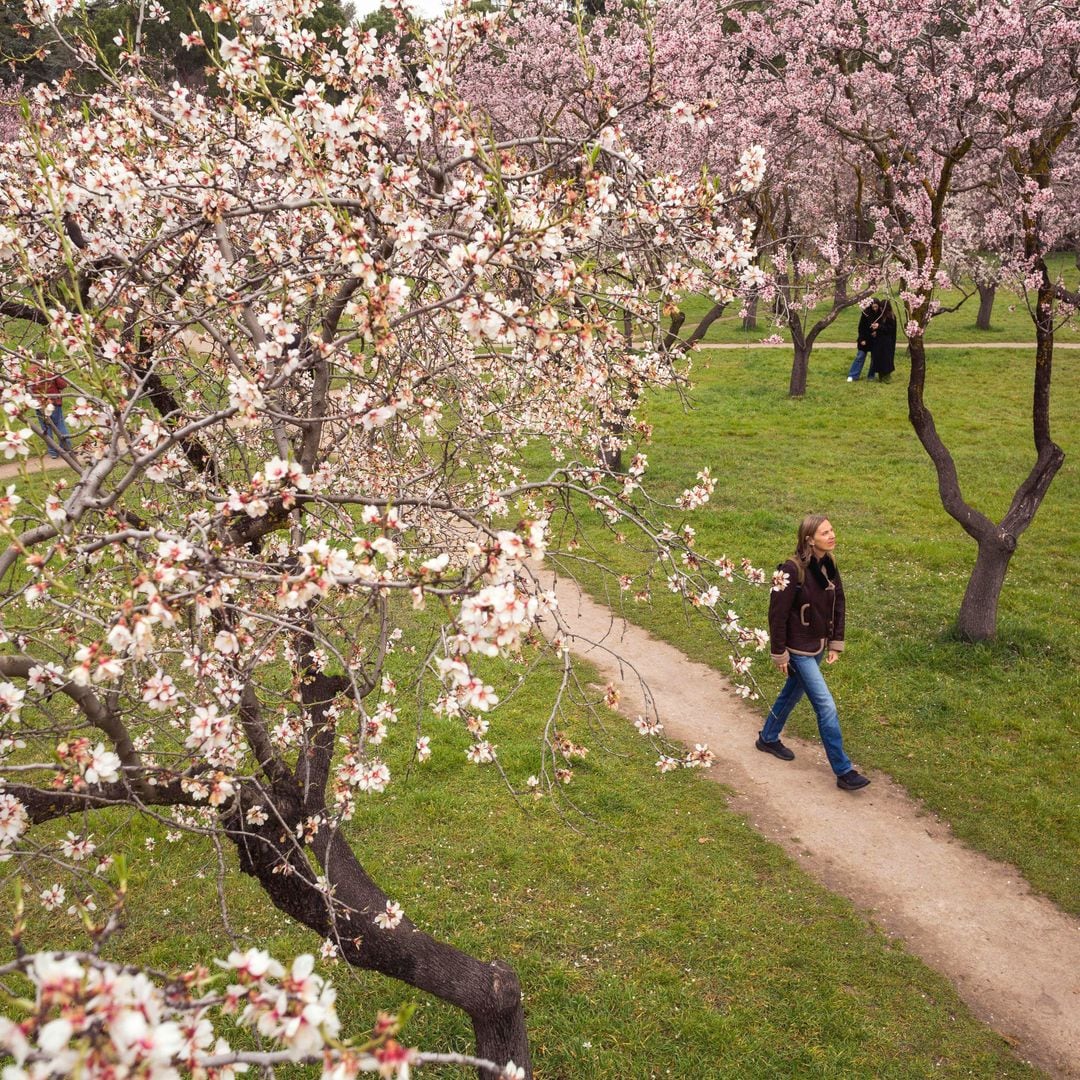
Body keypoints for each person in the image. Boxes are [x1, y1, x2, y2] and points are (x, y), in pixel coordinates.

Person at [756, 514, 870, 791]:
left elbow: (838, 601)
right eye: (824, 533)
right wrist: (779, 653)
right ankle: (843, 771)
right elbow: (777, 614)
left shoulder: (829, 562)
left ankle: (768, 738)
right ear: (809, 539)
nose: (832, 535)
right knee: (826, 706)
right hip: (798, 649)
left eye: (832, 530)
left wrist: (835, 642)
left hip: (817, 644)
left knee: (791, 694)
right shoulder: (791, 569)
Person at [29, 362, 72, 458]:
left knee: (46, 428)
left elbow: (29, 389)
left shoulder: (30, 371)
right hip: (54, 402)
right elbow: (63, 385)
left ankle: (53, 452)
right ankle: (66, 448)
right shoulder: (50, 369)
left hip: (39, 404)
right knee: (60, 425)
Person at [846, 297, 880, 381]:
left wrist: (877, 332)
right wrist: (862, 339)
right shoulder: (866, 314)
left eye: (876, 307)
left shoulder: (880, 314)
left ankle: (871, 376)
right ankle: (853, 375)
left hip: (875, 340)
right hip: (865, 338)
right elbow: (861, 327)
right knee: (860, 357)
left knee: (874, 358)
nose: (875, 309)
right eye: (873, 307)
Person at [867, 299, 897, 383]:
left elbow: (889, 329)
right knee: (879, 358)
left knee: (886, 359)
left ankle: (886, 376)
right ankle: (881, 376)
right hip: (880, 341)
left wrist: (879, 327)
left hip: (887, 342)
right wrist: (876, 331)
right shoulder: (882, 316)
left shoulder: (891, 316)